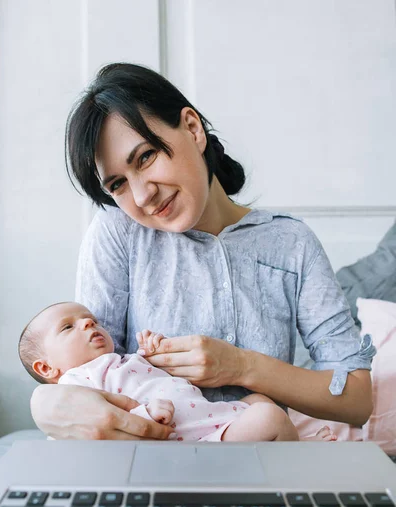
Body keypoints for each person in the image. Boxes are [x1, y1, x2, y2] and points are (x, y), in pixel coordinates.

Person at [30, 63, 375, 441]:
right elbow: (87, 374)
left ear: (192, 128)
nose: (143, 195)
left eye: (145, 157)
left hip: (261, 458)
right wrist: (44, 404)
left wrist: (242, 366)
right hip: (154, 466)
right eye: (118, 184)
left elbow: (356, 400)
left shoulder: (290, 242)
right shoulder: (118, 233)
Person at [20, 302, 336, 442]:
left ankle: (287, 448)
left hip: (214, 417)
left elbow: (147, 378)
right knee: (270, 417)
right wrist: (146, 413)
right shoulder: (76, 382)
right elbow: (107, 422)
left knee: (258, 399)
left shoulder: (121, 360)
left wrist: (154, 351)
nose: (88, 323)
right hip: (193, 438)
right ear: (46, 367)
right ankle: (298, 466)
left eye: (90, 318)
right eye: (68, 327)